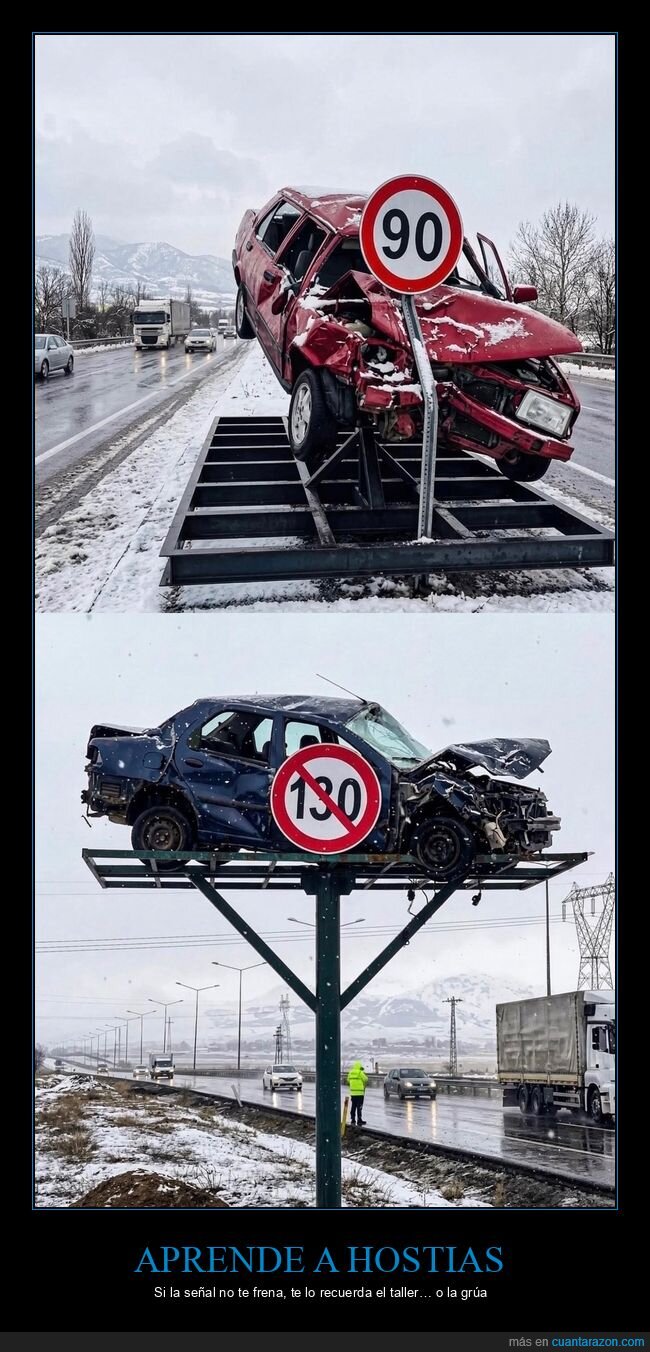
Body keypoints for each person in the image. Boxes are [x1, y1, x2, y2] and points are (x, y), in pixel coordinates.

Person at [347, 1060, 368, 1125]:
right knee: (359, 1107)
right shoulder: (360, 1072)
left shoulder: (350, 1073)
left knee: (353, 1106)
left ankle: (353, 1119)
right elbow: (366, 1079)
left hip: (353, 1093)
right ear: (359, 1067)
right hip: (360, 1093)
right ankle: (359, 1120)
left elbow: (348, 1080)